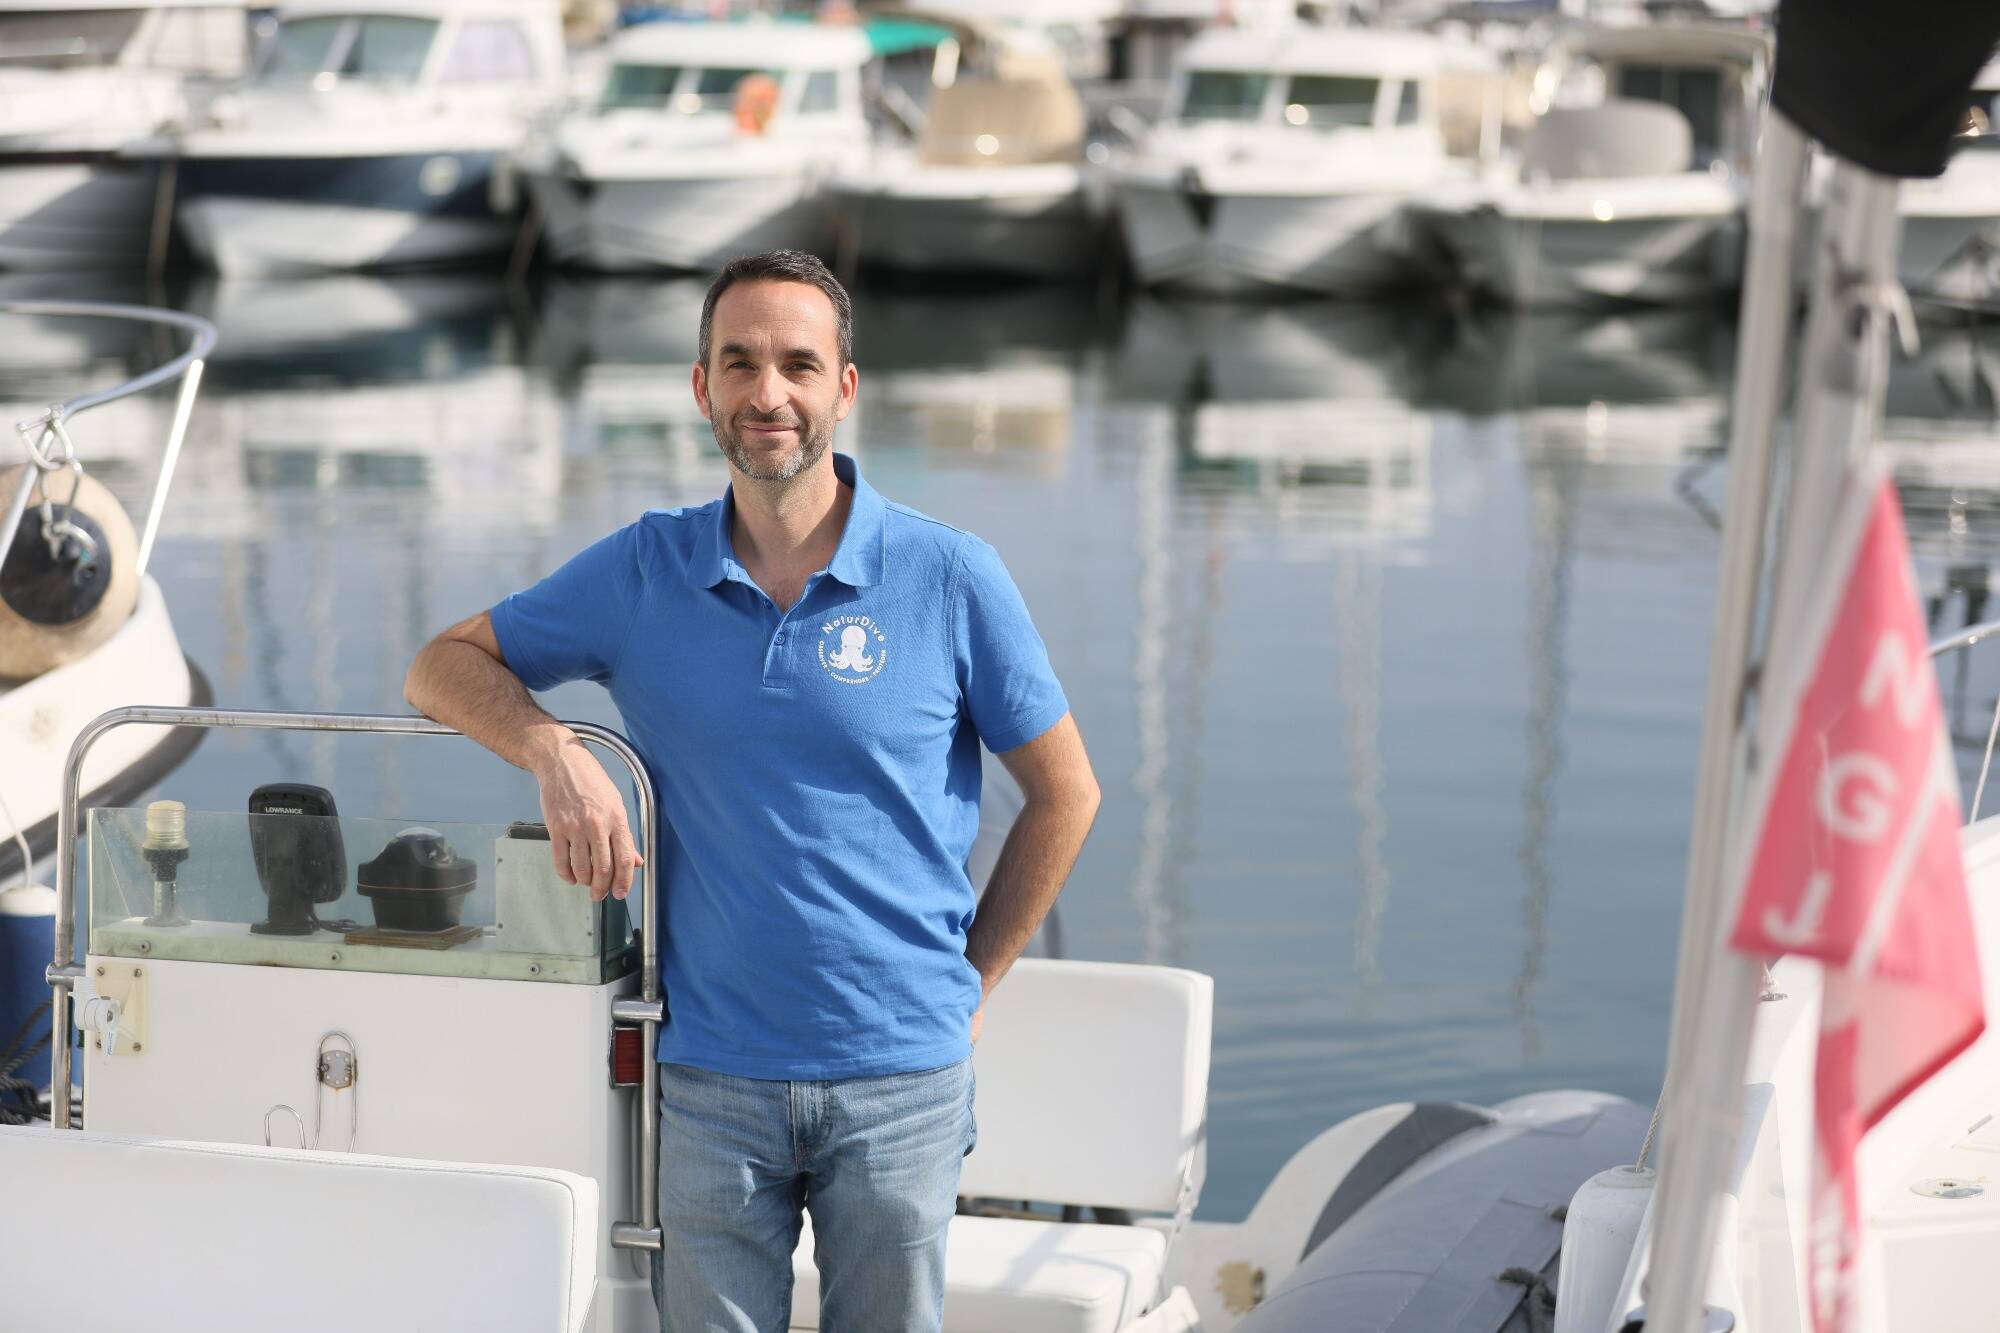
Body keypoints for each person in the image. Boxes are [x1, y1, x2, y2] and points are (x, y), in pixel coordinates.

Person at [403, 250, 1100, 1333]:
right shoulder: (643, 569)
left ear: (844, 389)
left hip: (902, 1075)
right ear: (701, 388)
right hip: (710, 1076)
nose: (766, 393)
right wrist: (555, 749)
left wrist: (968, 986)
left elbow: (1064, 794)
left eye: (797, 365)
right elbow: (438, 665)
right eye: (739, 363)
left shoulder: (949, 574)